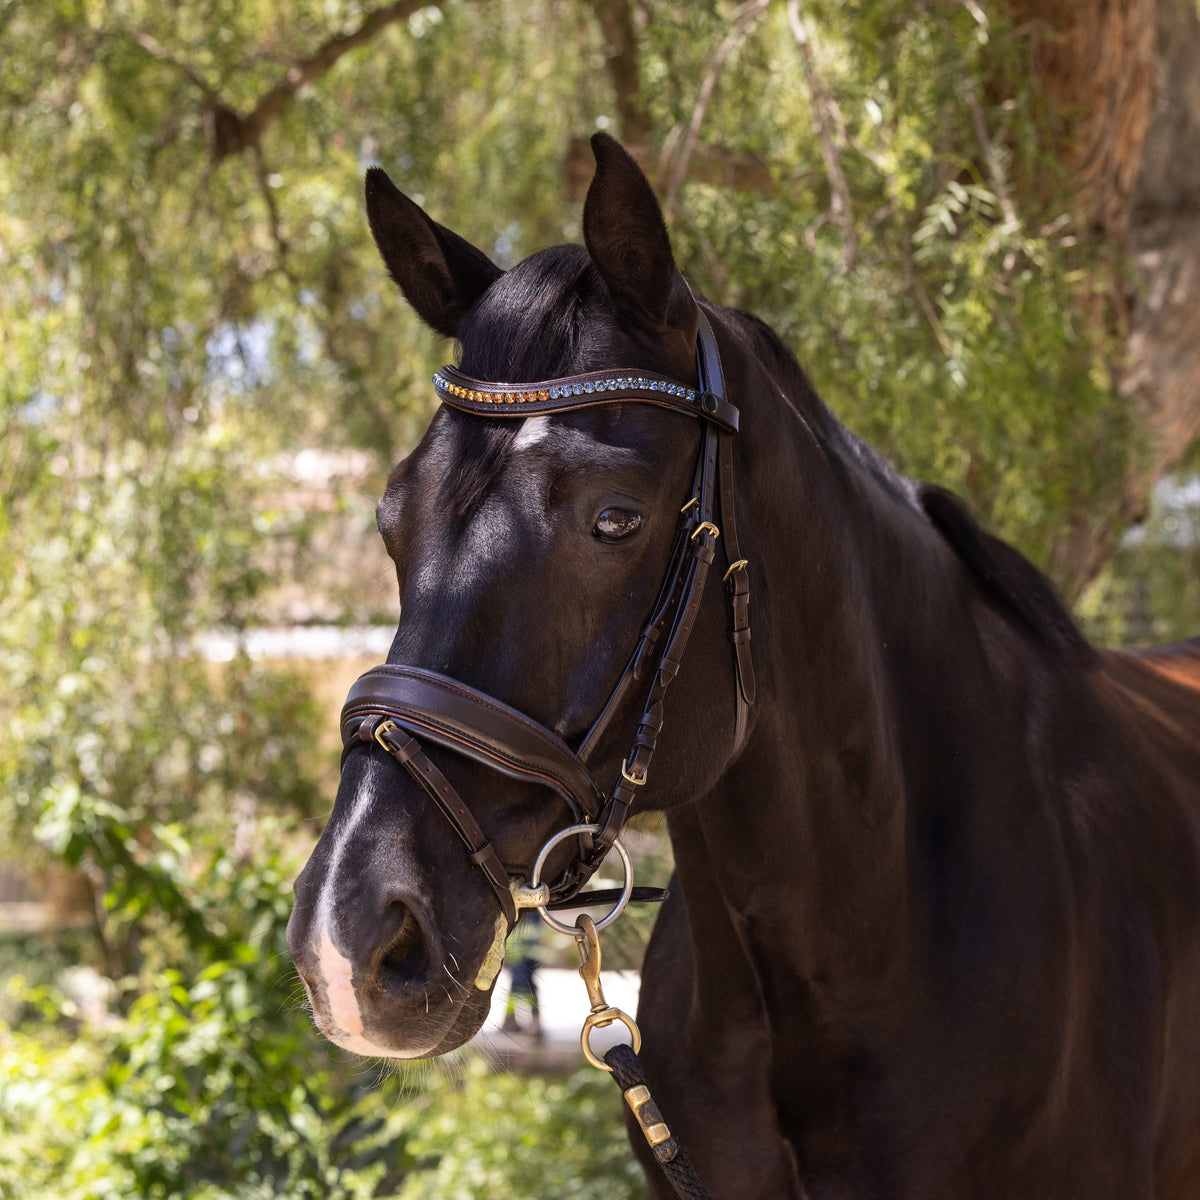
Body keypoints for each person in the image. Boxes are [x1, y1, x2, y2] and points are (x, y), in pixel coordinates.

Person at [501, 912, 543, 1039]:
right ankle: (528, 1020)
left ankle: (528, 1020)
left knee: (522, 979)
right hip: (519, 944)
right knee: (521, 979)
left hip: (522, 945)